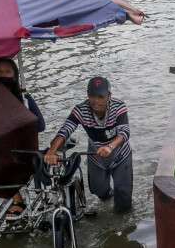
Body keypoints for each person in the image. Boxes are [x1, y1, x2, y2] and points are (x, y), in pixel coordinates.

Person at [45, 77, 133, 213]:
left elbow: (125, 132)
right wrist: (51, 151)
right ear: (87, 95)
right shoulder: (80, 110)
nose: (96, 101)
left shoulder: (119, 107)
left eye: (100, 96)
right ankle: (108, 199)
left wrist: (110, 147)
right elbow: (65, 130)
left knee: (123, 198)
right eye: (92, 96)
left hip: (120, 154)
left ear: (109, 96)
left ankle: (122, 223)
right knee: (99, 190)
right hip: (96, 155)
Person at [0, 57, 46, 221]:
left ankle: (18, 200)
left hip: (22, 150)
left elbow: (41, 125)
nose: (3, 75)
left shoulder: (24, 99)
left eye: (7, 72)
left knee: (4, 156)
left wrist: (21, 121)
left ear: (15, 75)